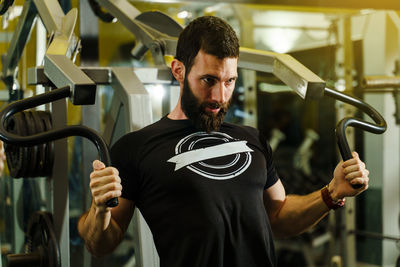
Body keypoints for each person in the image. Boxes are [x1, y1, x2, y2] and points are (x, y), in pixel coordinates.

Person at [78, 16, 369, 266]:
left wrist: (331, 193)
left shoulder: (252, 138)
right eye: (209, 80)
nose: (220, 96)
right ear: (179, 70)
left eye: (229, 81)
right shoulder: (136, 147)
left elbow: (279, 217)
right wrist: (100, 210)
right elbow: (100, 244)